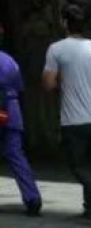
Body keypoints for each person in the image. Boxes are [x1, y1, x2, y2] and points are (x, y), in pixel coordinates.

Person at [42, 4, 91, 228]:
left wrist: (61, 85)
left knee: (77, 165)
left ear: (65, 22)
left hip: (73, 119)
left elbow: (48, 83)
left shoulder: (56, 49)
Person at [0, 39, 42, 216]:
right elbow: (19, 88)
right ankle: (32, 197)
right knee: (16, 156)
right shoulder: (9, 60)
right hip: (12, 111)